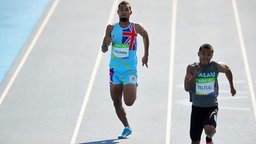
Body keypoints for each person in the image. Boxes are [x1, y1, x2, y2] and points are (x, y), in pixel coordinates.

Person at [101, 1, 149, 139]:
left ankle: (133, 84)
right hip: (115, 71)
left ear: (130, 12)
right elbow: (103, 49)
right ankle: (127, 127)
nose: (123, 12)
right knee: (116, 102)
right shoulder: (111, 28)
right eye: (121, 9)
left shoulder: (136, 28)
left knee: (129, 102)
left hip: (129, 71)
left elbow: (146, 35)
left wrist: (146, 55)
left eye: (126, 9)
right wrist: (106, 44)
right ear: (117, 12)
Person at [184, 43, 236, 144]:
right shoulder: (191, 68)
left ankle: (209, 138)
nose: (205, 57)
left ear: (212, 56)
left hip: (211, 106)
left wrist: (232, 86)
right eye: (203, 54)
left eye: (208, 55)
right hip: (197, 107)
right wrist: (195, 75)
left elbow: (227, 70)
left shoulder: (216, 66)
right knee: (195, 141)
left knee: (209, 130)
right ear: (198, 54)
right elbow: (187, 87)